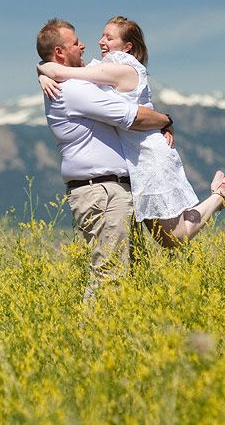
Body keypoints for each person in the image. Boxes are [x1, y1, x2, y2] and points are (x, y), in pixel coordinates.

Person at [38, 16, 225, 249]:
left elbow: (69, 74)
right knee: (168, 238)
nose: (98, 42)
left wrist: (46, 70)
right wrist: (43, 71)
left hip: (147, 156)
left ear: (127, 46)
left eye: (109, 37)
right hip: (136, 162)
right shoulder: (103, 71)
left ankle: (221, 195)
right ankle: (222, 194)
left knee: (173, 238)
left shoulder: (122, 69)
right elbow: (66, 70)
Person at [36, 18, 177, 300]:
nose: (84, 45)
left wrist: (41, 71)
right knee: (110, 274)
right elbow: (133, 116)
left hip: (110, 189)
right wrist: (166, 120)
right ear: (61, 53)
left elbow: (48, 63)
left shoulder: (69, 81)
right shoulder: (72, 89)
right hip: (103, 191)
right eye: (76, 43)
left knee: (133, 275)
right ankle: (87, 339)